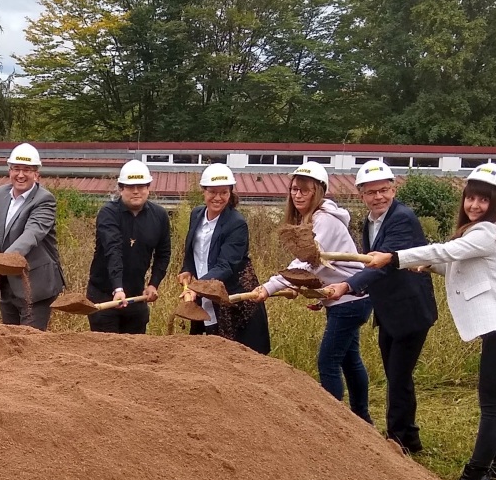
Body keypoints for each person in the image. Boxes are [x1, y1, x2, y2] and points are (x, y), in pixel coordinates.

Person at [361, 162, 496, 480]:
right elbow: (452, 263)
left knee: (491, 403)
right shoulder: (482, 233)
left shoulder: (488, 232)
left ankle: (477, 475)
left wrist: (393, 257)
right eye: (470, 198)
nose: (474, 206)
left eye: (483, 200)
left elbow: (446, 251)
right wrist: (426, 266)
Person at [321, 160, 437, 453]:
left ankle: (399, 440)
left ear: (393, 188)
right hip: (388, 311)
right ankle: (408, 436)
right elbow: (366, 262)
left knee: (397, 376)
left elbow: (382, 265)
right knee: (396, 373)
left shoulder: (402, 218)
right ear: (360, 194)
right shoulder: (371, 221)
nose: (379, 197)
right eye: (371, 192)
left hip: (410, 310)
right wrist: (329, 288)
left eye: (384, 190)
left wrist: (346, 287)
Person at [251, 162, 370, 421]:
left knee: (327, 363)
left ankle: (334, 424)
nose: (298, 195)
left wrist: (268, 288)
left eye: (305, 190)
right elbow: (319, 268)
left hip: (348, 300)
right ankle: (362, 420)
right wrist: (312, 291)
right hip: (345, 300)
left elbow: (303, 264)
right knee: (350, 361)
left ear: (319, 192)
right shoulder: (311, 219)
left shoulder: (323, 220)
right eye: (295, 189)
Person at [176, 163, 270, 353]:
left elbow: (226, 265)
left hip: (233, 298)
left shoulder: (237, 224)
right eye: (212, 192)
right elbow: (194, 251)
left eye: (224, 193)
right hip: (203, 294)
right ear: (204, 191)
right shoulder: (197, 214)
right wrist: (187, 269)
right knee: (205, 353)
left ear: (230, 193)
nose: (217, 198)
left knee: (234, 354)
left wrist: (197, 287)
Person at [0, 142, 65, 330]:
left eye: (27, 170)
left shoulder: (44, 200)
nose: (20, 175)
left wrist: (3, 258)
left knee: (29, 343)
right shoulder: (0, 194)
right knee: (10, 340)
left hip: (36, 285)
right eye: (16, 169)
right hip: (8, 284)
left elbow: (32, 234)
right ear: (9, 171)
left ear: (36, 174)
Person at [84, 160, 170, 335]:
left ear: (148, 187)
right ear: (121, 189)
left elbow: (163, 253)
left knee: (135, 353)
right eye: (131, 187)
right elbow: (112, 250)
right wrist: (118, 288)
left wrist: (154, 284)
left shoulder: (159, 216)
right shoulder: (108, 213)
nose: (136, 191)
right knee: (106, 351)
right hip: (104, 295)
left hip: (136, 297)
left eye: (141, 186)